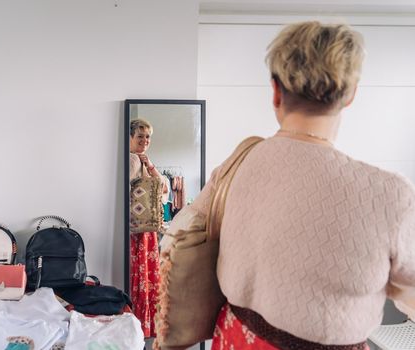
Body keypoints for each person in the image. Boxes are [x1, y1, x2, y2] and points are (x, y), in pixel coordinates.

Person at [165, 21, 415, 349]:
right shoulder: (389, 195)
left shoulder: (239, 162)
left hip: (234, 339)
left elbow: (176, 238)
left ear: (276, 91)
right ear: (351, 94)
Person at [129, 118, 165, 338]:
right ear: (131, 137)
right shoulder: (133, 160)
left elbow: (163, 188)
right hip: (139, 229)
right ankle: (140, 326)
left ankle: (143, 325)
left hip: (145, 228)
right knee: (143, 276)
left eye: (147, 136)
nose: (144, 140)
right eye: (140, 136)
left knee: (146, 277)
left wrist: (149, 164)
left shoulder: (142, 160)